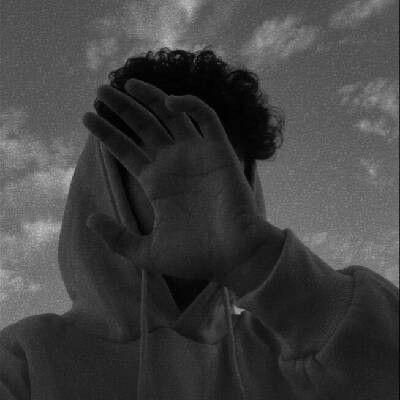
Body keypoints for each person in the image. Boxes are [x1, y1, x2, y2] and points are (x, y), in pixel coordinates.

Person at [0, 47, 398, 400]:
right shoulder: (25, 359)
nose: (202, 194)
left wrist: (256, 259)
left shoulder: (300, 349)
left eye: (225, 170)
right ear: (107, 187)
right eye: (161, 159)